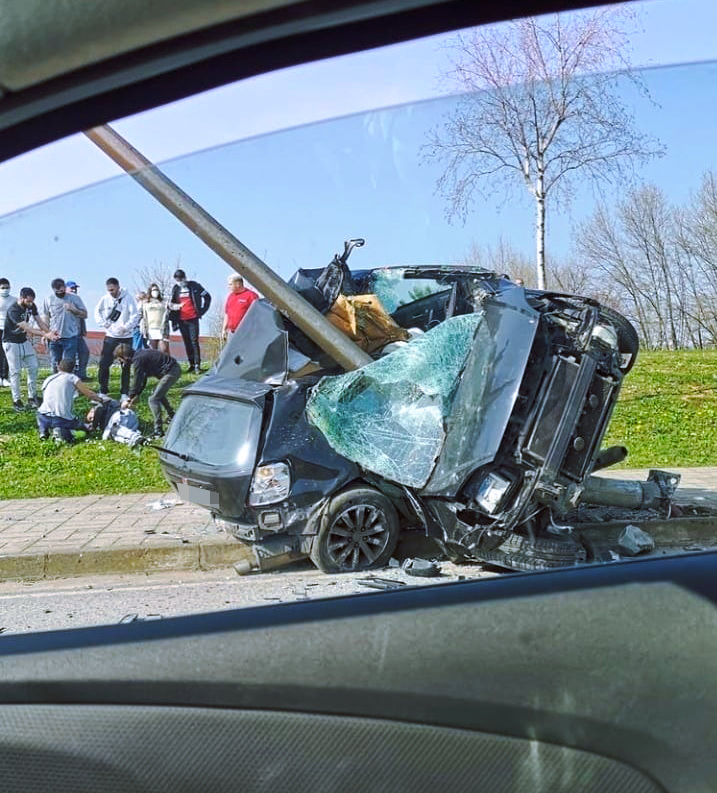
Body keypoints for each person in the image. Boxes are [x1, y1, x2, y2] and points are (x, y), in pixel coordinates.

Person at [3, 287, 58, 411]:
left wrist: (50, 333)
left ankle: (32, 397)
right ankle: (16, 400)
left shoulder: (31, 306)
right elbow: (28, 328)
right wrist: (45, 335)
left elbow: (39, 322)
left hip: (23, 341)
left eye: (32, 301)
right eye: (28, 301)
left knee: (33, 366)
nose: (30, 304)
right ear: (21, 298)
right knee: (15, 371)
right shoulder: (13, 310)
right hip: (11, 342)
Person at [114, 344, 181, 437]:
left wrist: (130, 397)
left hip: (172, 371)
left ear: (125, 357)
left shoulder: (138, 360)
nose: (122, 363)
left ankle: (158, 430)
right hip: (173, 369)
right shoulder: (139, 356)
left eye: (121, 360)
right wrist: (137, 394)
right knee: (157, 394)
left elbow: (137, 379)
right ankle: (172, 415)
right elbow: (143, 378)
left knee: (153, 399)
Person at [36, 358, 110, 442]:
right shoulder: (72, 378)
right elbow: (89, 394)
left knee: (44, 416)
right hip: (61, 418)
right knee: (83, 429)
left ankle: (43, 431)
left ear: (58, 367)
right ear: (73, 369)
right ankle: (61, 432)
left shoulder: (49, 379)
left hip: (42, 415)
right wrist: (101, 400)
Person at [94, 277, 139, 400]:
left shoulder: (128, 298)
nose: (111, 292)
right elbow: (96, 313)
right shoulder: (105, 299)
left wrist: (126, 327)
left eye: (113, 290)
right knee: (104, 363)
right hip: (111, 335)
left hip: (126, 336)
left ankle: (124, 392)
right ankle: (103, 390)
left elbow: (135, 315)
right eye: (109, 290)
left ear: (118, 287)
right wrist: (103, 323)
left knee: (126, 364)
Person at [168, 269, 211, 373]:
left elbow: (207, 297)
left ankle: (197, 365)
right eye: (177, 279)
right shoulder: (175, 289)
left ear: (185, 278)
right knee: (187, 342)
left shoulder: (194, 286)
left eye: (181, 279)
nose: (179, 281)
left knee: (194, 341)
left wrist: (201, 311)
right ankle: (191, 363)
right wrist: (173, 309)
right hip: (181, 320)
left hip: (193, 318)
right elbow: (172, 302)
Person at [41, 277, 87, 373]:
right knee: (55, 363)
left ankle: (69, 385)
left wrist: (74, 309)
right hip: (54, 337)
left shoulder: (74, 298)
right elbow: (45, 316)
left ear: (65, 288)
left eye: (62, 291)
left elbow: (85, 314)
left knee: (69, 364)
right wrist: (45, 333)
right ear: (53, 289)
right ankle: (56, 384)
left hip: (70, 337)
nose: (60, 293)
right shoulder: (48, 299)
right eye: (57, 292)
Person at [221, 274, 258, 341]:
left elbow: (257, 314)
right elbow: (227, 314)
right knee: (231, 351)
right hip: (232, 333)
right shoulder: (230, 296)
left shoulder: (251, 296)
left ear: (238, 284)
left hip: (246, 333)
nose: (228, 287)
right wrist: (224, 329)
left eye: (230, 284)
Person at [66, 280, 90, 380]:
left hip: (78, 334)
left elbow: (84, 315)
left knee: (84, 352)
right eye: (72, 288)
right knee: (68, 357)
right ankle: (67, 376)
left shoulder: (78, 301)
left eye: (75, 288)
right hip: (67, 335)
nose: (74, 290)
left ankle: (81, 374)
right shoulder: (63, 301)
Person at [142, 283, 170, 353]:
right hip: (151, 328)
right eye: (153, 290)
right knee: (152, 351)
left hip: (162, 329)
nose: (155, 291)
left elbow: (171, 308)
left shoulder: (163, 302)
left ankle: (167, 363)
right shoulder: (145, 303)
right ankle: (153, 364)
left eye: (157, 290)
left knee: (164, 349)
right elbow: (142, 315)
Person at [0, 277, 15, 387]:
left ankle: (5, 377)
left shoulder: (14, 300)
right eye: (3, 288)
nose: (5, 289)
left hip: (9, 329)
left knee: (7, 353)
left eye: (7, 287)